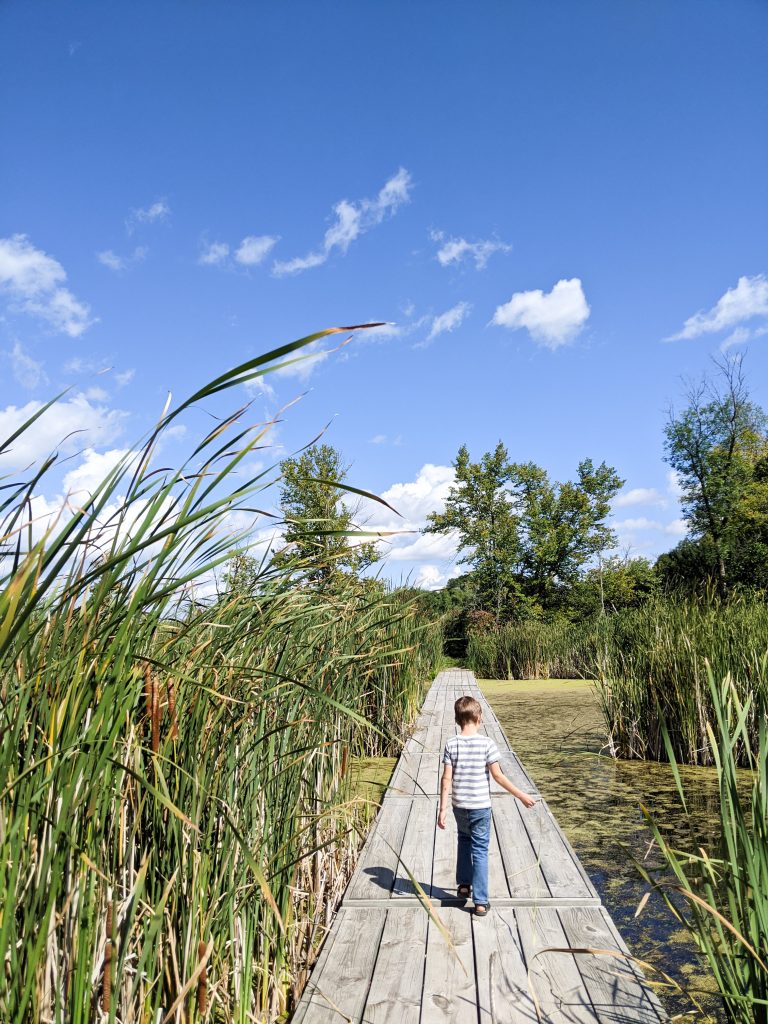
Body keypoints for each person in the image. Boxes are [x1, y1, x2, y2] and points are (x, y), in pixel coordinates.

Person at [438, 695, 536, 916]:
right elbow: (498, 776)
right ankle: (480, 901)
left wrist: (442, 808)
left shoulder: (451, 744)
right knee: (480, 850)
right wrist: (521, 795)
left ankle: (464, 885)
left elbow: (446, 779)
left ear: (457, 719)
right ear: (479, 718)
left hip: (459, 805)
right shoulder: (487, 744)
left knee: (463, 840)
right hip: (480, 806)